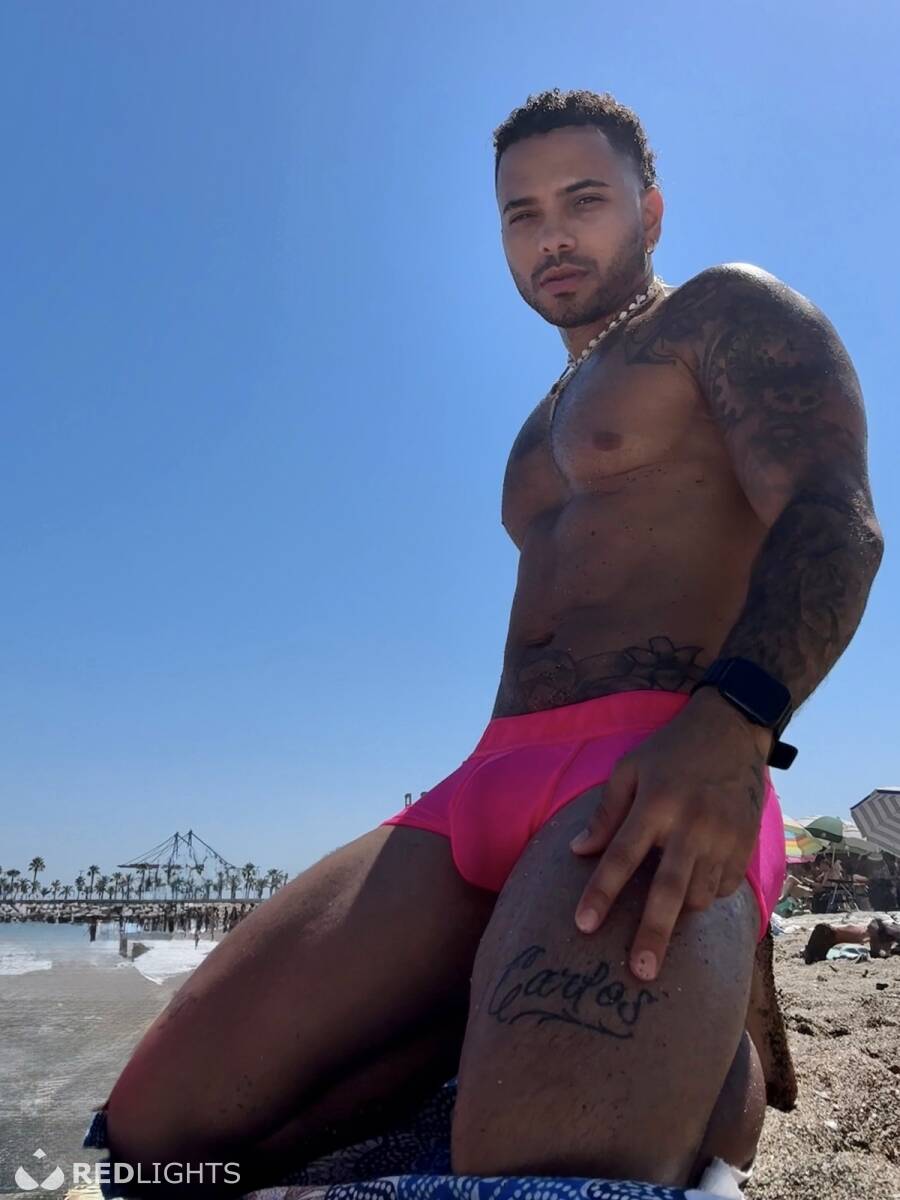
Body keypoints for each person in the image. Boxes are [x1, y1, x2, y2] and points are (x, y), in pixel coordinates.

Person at [100, 88, 883, 1193]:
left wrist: (736, 722)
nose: (551, 235)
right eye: (522, 214)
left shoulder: (722, 313)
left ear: (651, 211)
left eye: (584, 200)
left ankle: (702, 1054)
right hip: (485, 777)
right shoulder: (539, 419)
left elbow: (833, 516)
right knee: (156, 1134)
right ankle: (540, 1013)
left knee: (542, 1163)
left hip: (658, 763)